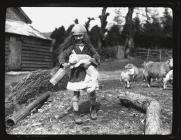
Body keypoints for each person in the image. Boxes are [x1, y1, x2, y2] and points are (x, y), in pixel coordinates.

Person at [57, 24, 100, 124]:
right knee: (76, 94)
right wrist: (63, 63)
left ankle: (93, 109)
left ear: (84, 35)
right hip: (76, 73)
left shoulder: (89, 46)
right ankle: (76, 114)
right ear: (73, 37)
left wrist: (92, 60)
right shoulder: (72, 47)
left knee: (92, 91)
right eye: (76, 36)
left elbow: (96, 55)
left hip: (87, 72)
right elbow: (62, 55)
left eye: (80, 35)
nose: (78, 38)